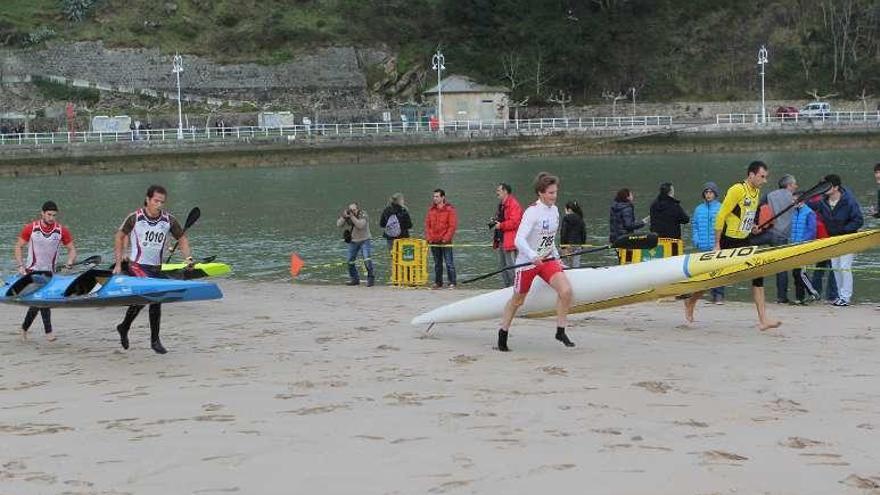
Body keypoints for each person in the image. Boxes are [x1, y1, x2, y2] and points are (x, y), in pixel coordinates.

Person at [684, 161, 781, 330]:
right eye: (762, 176)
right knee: (714, 277)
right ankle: (691, 301)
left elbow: (744, 215)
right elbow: (721, 216)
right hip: (727, 240)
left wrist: (752, 226)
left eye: (765, 177)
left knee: (758, 274)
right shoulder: (737, 190)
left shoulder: (756, 191)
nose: (764, 180)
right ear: (751, 175)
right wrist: (716, 244)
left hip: (744, 240)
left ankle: (763, 320)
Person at [497, 172, 574, 352]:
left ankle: (560, 330)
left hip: (547, 260)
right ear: (540, 193)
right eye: (550, 193)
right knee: (518, 301)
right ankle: (503, 333)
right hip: (527, 263)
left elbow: (549, 238)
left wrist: (556, 256)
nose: (554, 196)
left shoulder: (554, 211)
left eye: (555, 192)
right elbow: (519, 240)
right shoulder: (532, 212)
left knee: (566, 291)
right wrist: (532, 255)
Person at [113, 185, 194, 354]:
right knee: (154, 296)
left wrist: (188, 258)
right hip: (137, 265)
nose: (159, 204)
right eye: (156, 201)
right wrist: (119, 264)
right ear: (148, 199)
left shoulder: (169, 220)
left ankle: (124, 326)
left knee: (145, 299)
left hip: (156, 267)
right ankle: (155, 340)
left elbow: (183, 239)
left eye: (162, 202)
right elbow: (119, 237)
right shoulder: (135, 218)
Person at [13, 201, 77, 342]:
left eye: (54, 215)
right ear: (42, 213)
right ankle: (49, 333)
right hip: (32, 271)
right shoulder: (31, 228)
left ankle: (23, 329)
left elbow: (72, 249)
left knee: (37, 303)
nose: (51, 218)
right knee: (43, 300)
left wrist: (70, 262)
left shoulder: (61, 230)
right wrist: (20, 265)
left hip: (50, 272)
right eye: (49, 214)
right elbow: (18, 247)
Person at [808, 174, 864, 306]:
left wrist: (844, 230)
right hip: (833, 240)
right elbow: (810, 205)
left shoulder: (849, 201)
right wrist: (799, 201)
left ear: (836, 187)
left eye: (827, 186)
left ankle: (846, 297)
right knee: (836, 267)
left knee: (845, 267)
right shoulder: (823, 201)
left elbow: (858, 220)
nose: (824, 189)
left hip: (847, 239)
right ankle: (840, 296)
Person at [764, 174, 798, 303]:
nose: (796, 186)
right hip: (783, 235)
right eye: (794, 184)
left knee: (777, 265)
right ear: (789, 185)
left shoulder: (770, 195)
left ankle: (780, 297)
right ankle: (782, 297)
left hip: (771, 233)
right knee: (782, 267)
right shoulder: (793, 198)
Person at [691, 182, 724, 304]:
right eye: (706, 192)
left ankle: (719, 295)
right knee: (707, 271)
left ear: (715, 194)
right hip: (703, 244)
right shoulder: (698, 209)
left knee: (719, 270)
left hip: (716, 245)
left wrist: (721, 242)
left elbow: (724, 225)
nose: (708, 195)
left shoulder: (721, 207)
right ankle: (711, 294)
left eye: (711, 192)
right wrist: (696, 239)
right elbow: (694, 226)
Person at [425, 189, 458, 288]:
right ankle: (438, 282)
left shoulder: (450, 210)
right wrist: (429, 237)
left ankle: (452, 282)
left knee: (449, 262)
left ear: (443, 197)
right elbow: (427, 225)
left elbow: (452, 226)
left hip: (445, 241)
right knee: (437, 263)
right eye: (434, 196)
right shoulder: (431, 210)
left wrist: (446, 238)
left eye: (437, 196)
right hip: (434, 241)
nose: (434, 198)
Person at [337, 202, 375, 286]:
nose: (352, 211)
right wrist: (344, 217)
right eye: (351, 210)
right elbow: (338, 224)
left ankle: (370, 279)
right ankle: (354, 279)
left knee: (367, 259)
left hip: (365, 240)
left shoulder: (363, 214)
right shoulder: (347, 215)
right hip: (353, 241)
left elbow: (360, 225)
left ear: (358, 209)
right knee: (350, 261)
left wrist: (352, 216)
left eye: (354, 210)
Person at [492, 183, 523, 287]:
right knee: (503, 266)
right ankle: (507, 287)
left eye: (498, 190)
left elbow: (515, 222)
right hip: (501, 239)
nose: (497, 192)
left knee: (511, 266)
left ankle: (515, 286)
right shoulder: (501, 204)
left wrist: (501, 225)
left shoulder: (513, 204)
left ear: (505, 191)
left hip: (510, 239)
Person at [788, 201, 818, 304]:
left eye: (795, 200)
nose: (793, 202)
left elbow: (812, 230)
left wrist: (802, 243)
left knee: (800, 273)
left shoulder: (809, 213)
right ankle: (799, 298)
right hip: (794, 246)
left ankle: (813, 292)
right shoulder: (795, 212)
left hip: (804, 247)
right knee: (796, 273)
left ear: (802, 201)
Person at [560, 201, 586, 268]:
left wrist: (563, 247)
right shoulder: (580, 218)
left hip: (567, 245)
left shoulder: (566, 218)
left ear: (569, 209)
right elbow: (583, 233)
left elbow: (563, 233)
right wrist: (583, 244)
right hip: (578, 245)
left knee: (565, 264)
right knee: (576, 264)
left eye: (565, 209)